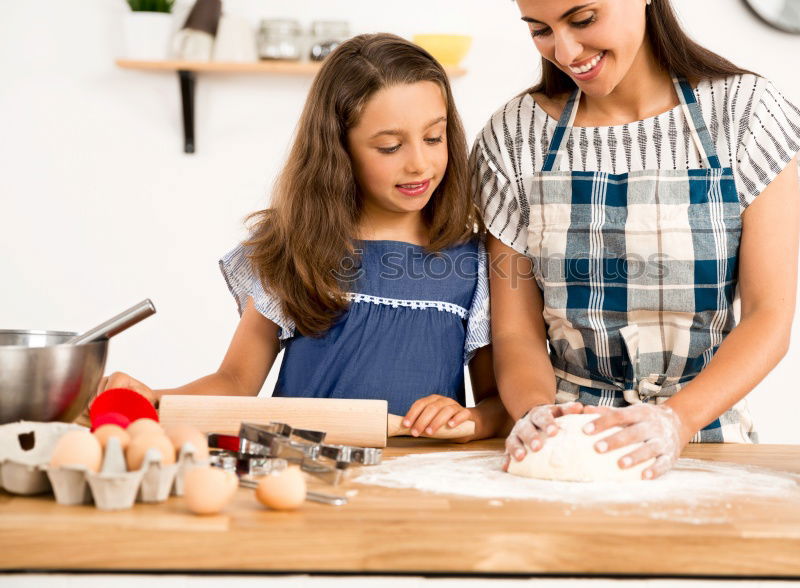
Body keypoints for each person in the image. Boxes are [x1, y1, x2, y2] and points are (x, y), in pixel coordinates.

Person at [476, 0, 800, 476]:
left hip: (707, 443)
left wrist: (675, 422)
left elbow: (768, 317)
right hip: (567, 446)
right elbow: (514, 332)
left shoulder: (746, 115)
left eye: (582, 19)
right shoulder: (515, 136)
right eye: (540, 30)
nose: (565, 52)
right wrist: (539, 414)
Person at [96, 33, 507, 441]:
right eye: (389, 146)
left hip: (415, 483)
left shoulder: (472, 262)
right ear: (338, 151)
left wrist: (468, 419)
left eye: (434, 138)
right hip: (298, 468)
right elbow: (236, 383)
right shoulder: (298, 248)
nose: (420, 163)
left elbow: (498, 405)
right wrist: (153, 400)